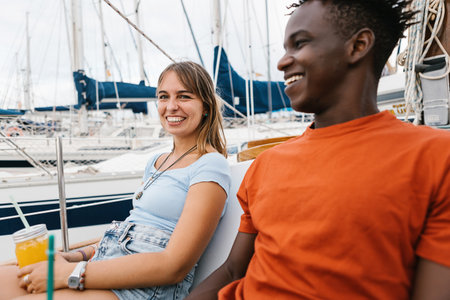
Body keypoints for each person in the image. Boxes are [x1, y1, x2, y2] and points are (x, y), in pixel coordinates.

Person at [188, 1, 450, 299]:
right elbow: (234, 271)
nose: (282, 62)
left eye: (299, 44)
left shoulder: (435, 159)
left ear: (359, 45)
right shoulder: (267, 164)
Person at [0, 61, 231, 300]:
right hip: (104, 265)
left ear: (205, 106)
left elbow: (172, 266)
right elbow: (134, 230)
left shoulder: (210, 164)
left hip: (143, 288)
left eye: (184, 97)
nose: (171, 106)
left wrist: (69, 272)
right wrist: (78, 256)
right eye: (164, 97)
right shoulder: (157, 161)